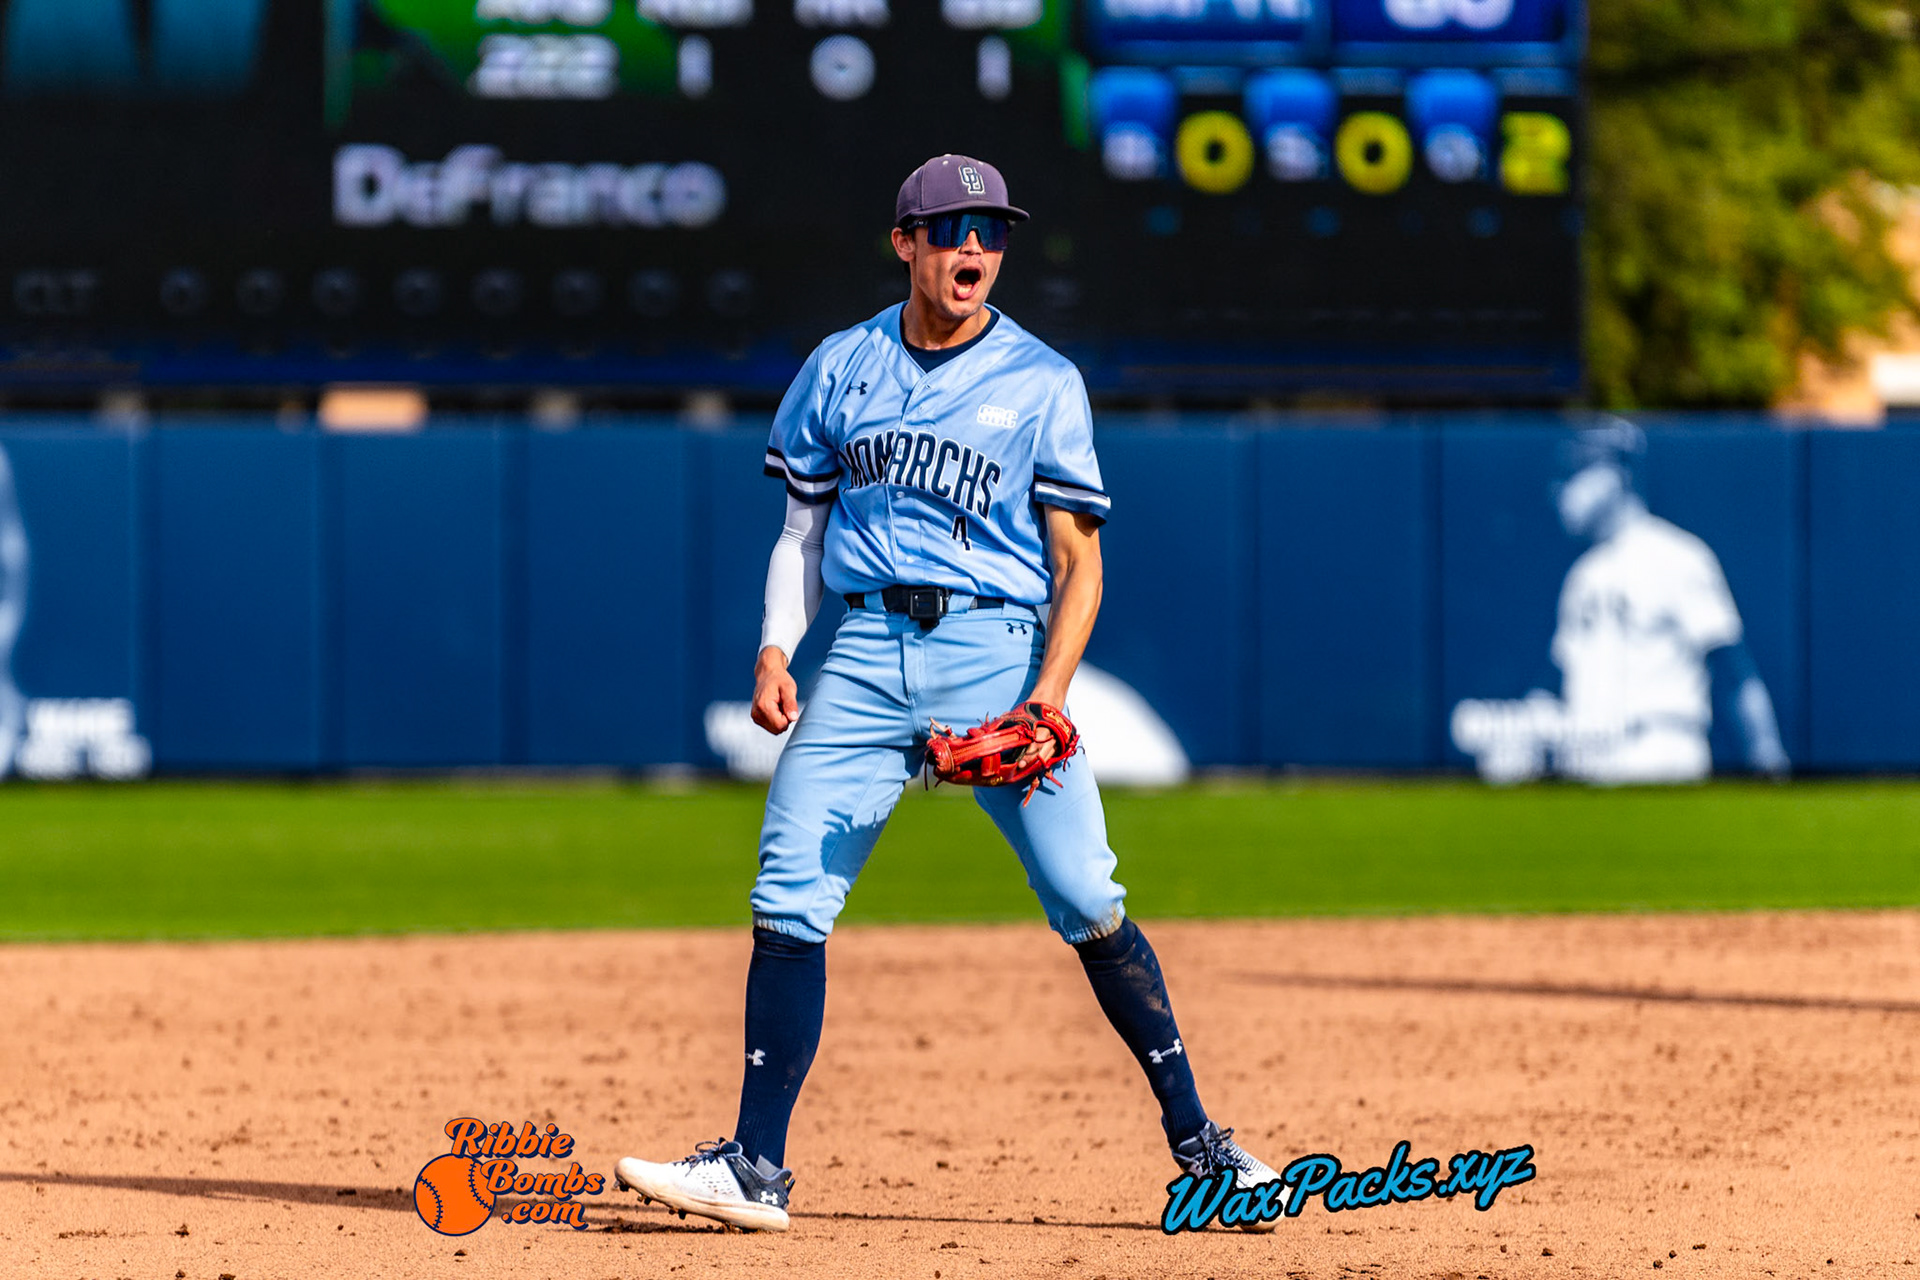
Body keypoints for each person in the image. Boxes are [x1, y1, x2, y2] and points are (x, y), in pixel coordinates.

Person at [613, 155, 1278, 1233]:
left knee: (1085, 894)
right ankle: (754, 1165)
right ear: (906, 243)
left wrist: (1049, 700)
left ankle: (1204, 1144)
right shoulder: (842, 365)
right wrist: (778, 650)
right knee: (788, 890)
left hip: (997, 652)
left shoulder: (1043, 380)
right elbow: (801, 531)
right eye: (952, 228)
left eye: (992, 231)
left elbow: (1080, 562)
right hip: (868, 653)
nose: (975, 249)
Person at [1547, 420, 1789, 783]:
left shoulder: (1676, 555)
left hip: (1659, 747)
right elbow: (1562, 675)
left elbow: (1732, 669)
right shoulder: (1581, 575)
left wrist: (1764, 748)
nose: (1565, 490)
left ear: (1618, 475)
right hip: (1587, 756)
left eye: (1579, 472)